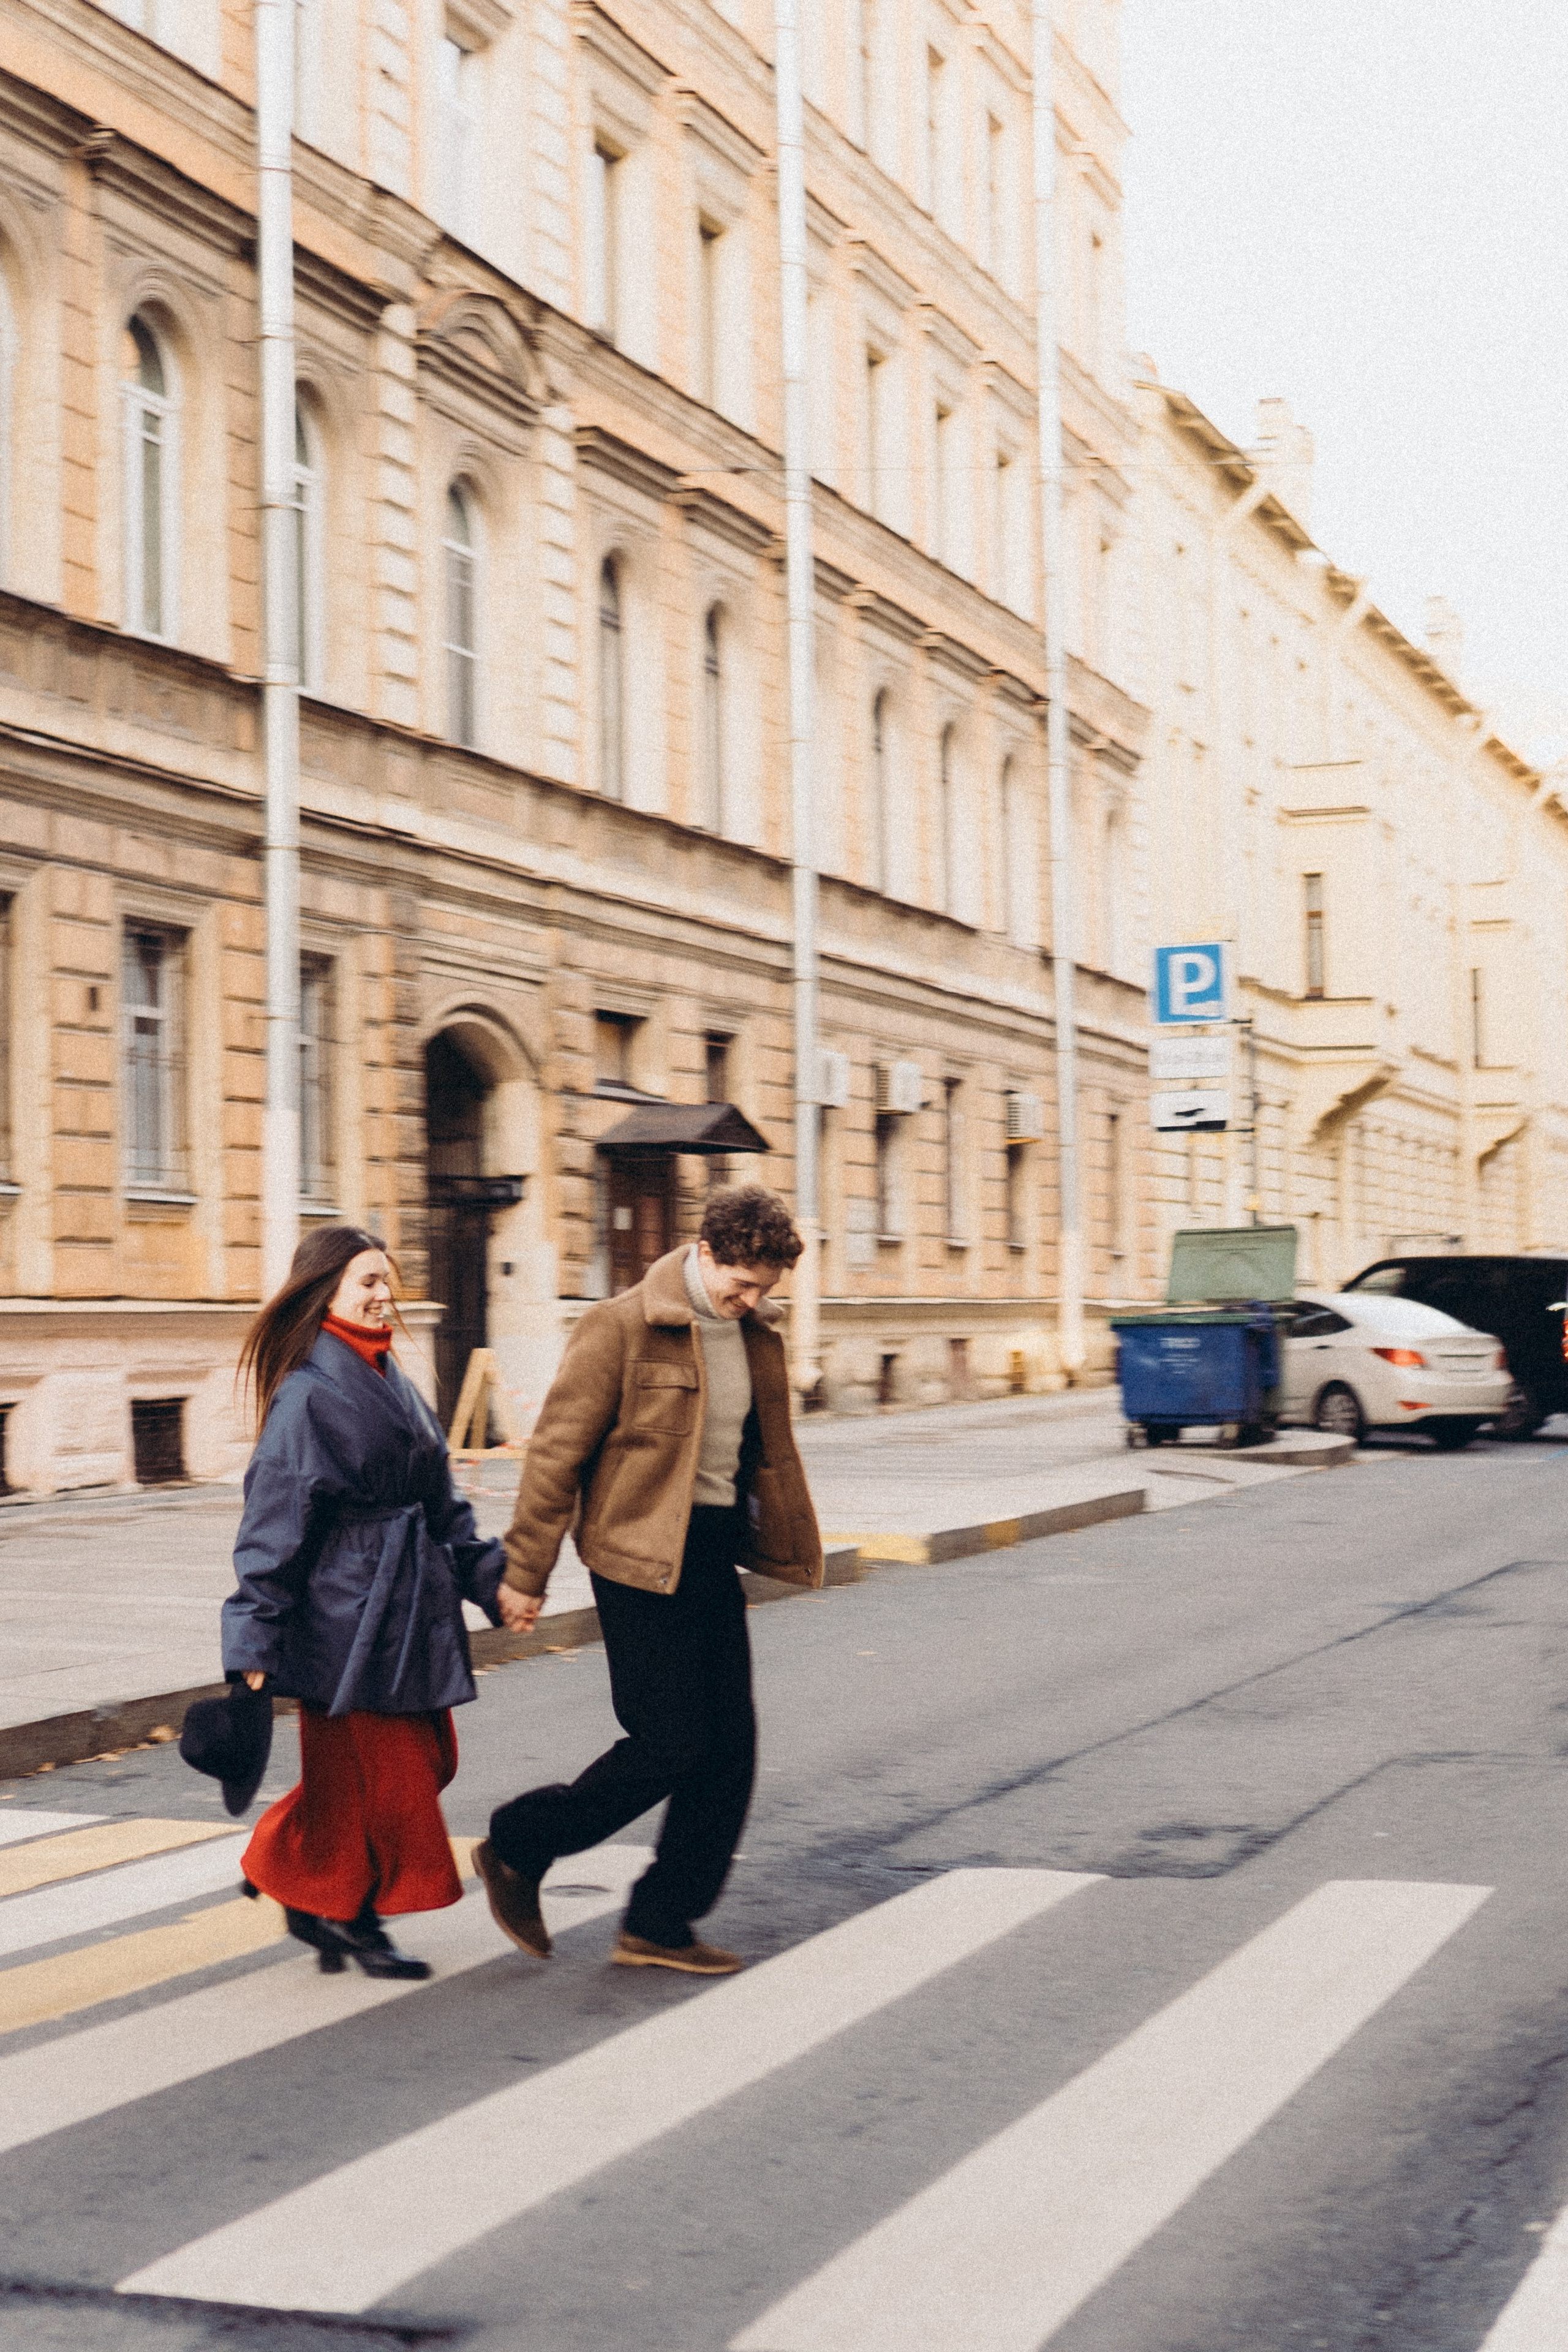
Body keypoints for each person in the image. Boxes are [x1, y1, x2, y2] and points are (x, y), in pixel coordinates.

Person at [475, 1183, 823, 1975]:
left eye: (764, 1290)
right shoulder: (621, 1326)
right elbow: (555, 1456)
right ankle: (521, 1843)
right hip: (634, 1562)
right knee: (671, 1741)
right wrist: (524, 1572)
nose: (749, 1300)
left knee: (730, 1746)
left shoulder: (754, 1335)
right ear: (703, 1255)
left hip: (706, 1554)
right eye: (740, 1284)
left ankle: (662, 1920)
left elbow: (760, 1455)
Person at [222, 1224, 507, 1979]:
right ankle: (349, 1914)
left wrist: (496, 1583)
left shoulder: (390, 1378)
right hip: (345, 1619)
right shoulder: (307, 1395)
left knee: (422, 1762)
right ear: (327, 1295)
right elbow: (271, 1530)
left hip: (409, 1609)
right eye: (368, 1283)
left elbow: (444, 1508)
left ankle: (294, 1865)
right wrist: (251, 1645)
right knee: (392, 1783)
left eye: (388, 1281)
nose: (386, 1297)